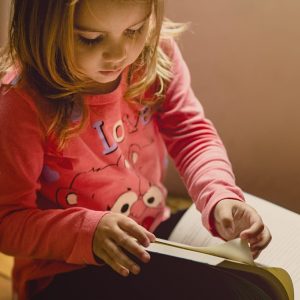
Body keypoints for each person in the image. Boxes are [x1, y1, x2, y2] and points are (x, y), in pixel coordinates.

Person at [0, 0, 272, 299]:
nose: (119, 55)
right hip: (63, 271)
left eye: (134, 29)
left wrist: (219, 195)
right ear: (39, 29)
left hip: (153, 236)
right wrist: (87, 232)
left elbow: (190, 133)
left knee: (251, 289)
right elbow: (7, 220)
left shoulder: (154, 56)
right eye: (90, 38)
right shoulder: (20, 103)